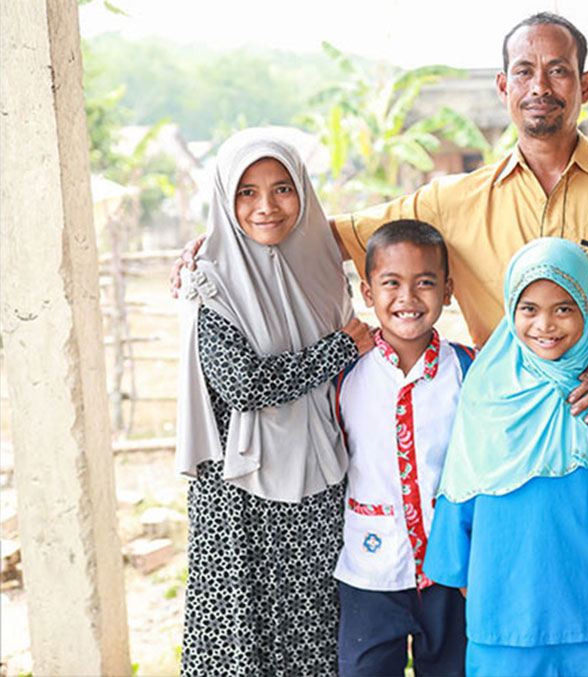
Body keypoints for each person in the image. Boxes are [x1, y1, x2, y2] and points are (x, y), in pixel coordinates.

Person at [172, 13, 588, 673]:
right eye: (524, 72)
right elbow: (330, 229)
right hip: (511, 467)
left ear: (586, 84)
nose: (541, 85)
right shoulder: (455, 201)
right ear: (503, 88)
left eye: (559, 70)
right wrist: (224, 244)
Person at [424, 237, 588, 677]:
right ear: (510, 308)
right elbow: (459, 480)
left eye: (564, 308)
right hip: (504, 599)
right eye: (529, 309)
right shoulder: (486, 390)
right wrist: (459, 567)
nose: (545, 324)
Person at [175, 129, 374, 675]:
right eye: (246, 192)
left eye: (283, 188)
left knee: (316, 634)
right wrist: (339, 347)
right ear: (225, 199)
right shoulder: (210, 282)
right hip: (242, 495)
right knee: (245, 642)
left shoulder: (325, 272)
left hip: (321, 482)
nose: (266, 206)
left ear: (303, 192)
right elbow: (245, 384)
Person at [331, 220, 472, 676]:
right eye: (391, 283)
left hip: (453, 571)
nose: (408, 298)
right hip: (370, 571)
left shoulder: (469, 370)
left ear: (448, 290)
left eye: (425, 282)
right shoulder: (344, 375)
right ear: (368, 293)